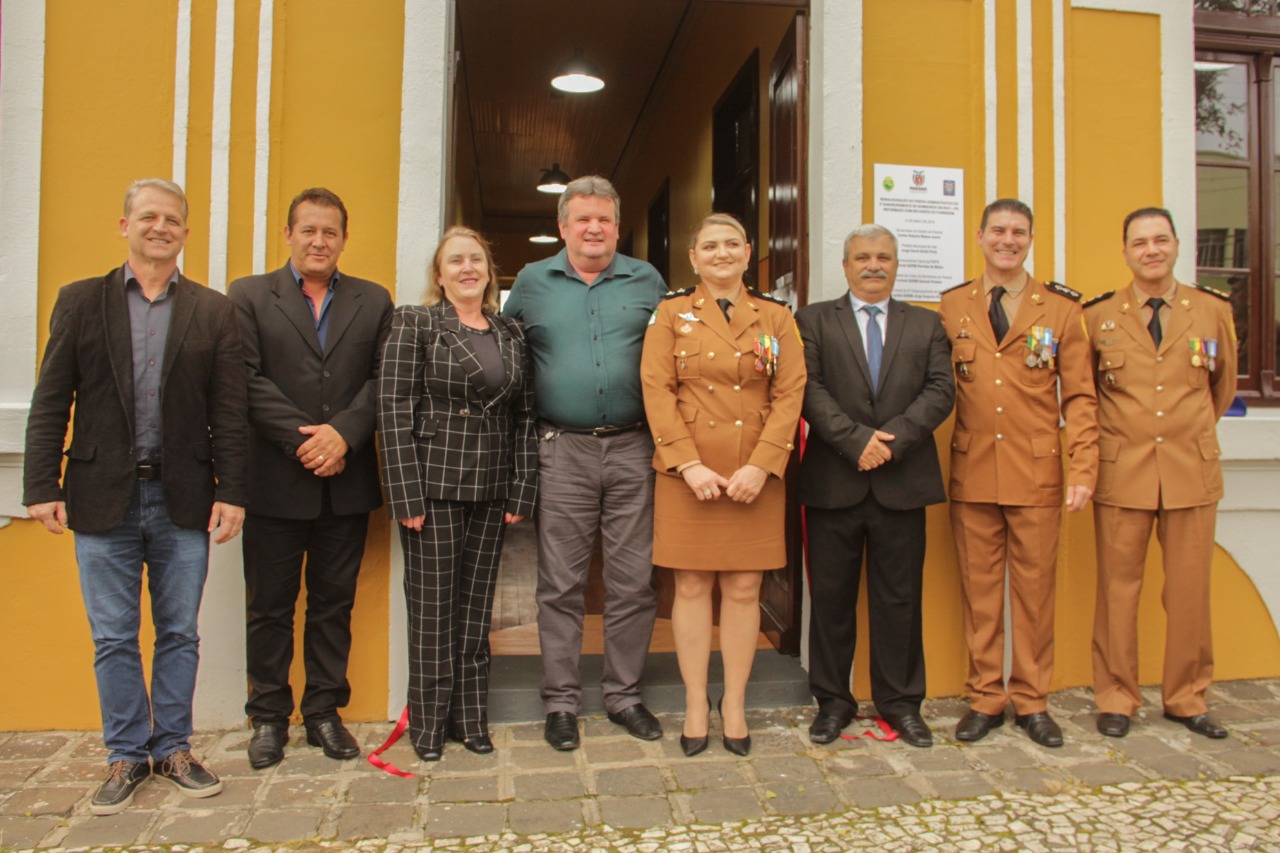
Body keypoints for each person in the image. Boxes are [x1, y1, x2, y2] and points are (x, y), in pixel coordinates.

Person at [23, 178, 248, 815]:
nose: (160, 227)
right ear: (124, 225)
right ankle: (126, 754)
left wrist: (232, 491)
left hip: (182, 498)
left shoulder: (212, 310)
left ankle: (173, 746)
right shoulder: (80, 302)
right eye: (148, 217)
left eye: (172, 219)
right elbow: (51, 399)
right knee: (114, 636)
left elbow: (227, 412)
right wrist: (41, 483)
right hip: (100, 498)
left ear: (184, 230)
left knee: (180, 631)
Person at [227, 188, 393, 769]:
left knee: (332, 605)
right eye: (309, 230)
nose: (319, 241)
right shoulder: (248, 295)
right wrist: (312, 441)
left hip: (344, 482)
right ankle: (268, 717)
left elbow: (380, 381)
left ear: (344, 239)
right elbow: (245, 380)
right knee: (269, 606)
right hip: (275, 481)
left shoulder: (374, 301)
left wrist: (343, 434)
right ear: (289, 235)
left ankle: (323, 712)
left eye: (330, 232)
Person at [504, 175, 669, 751]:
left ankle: (624, 696)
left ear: (617, 227)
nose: (594, 228)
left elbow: (674, 359)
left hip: (634, 448)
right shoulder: (531, 282)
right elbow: (504, 358)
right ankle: (562, 703)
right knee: (560, 583)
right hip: (562, 449)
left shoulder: (647, 279)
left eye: (604, 219)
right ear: (563, 227)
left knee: (633, 582)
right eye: (582, 219)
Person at [640, 213, 806, 756]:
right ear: (693, 257)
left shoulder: (777, 317)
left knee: (742, 588)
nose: (721, 253)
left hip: (754, 473)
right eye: (709, 245)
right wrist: (688, 464)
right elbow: (656, 389)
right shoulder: (669, 314)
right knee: (689, 586)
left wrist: (762, 465)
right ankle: (694, 701)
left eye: (732, 244)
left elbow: (790, 393)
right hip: (688, 474)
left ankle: (733, 702)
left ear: (748, 252)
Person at [937, 198, 1098, 748]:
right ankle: (985, 697)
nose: (1008, 240)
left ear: (1030, 239)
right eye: (999, 230)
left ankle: (1031, 700)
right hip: (973, 469)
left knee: (1033, 594)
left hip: (1037, 473)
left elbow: (1079, 397)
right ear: (980, 236)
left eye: (1019, 232)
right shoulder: (951, 305)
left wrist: (1084, 468)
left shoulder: (1060, 309)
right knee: (981, 594)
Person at [378, 226, 538, 760]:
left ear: (489, 272)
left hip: (492, 487)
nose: (468, 268)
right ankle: (427, 728)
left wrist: (521, 490)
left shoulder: (511, 332)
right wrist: (405, 496)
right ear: (440, 274)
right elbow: (393, 408)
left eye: (476, 259)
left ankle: (470, 720)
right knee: (431, 613)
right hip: (433, 488)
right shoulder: (415, 323)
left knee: (474, 613)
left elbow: (524, 418)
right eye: (456, 261)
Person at [796, 224, 954, 749]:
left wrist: (891, 442)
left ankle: (902, 705)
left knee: (900, 601)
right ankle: (832, 704)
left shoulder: (927, 325)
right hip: (833, 483)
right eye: (862, 257)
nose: (873, 265)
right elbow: (808, 390)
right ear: (845, 266)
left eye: (884, 257)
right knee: (832, 602)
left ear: (896, 264)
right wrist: (854, 440)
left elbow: (940, 390)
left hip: (902, 483)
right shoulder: (813, 320)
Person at [1084, 208, 1237, 740]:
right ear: (1125, 251)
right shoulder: (1098, 316)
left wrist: (1181, 436)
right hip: (1123, 471)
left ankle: (1187, 696)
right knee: (1118, 593)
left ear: (1176, 245)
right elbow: (1090, 397)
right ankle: (1116, 697)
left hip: (1190, 471)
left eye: (1160, 240)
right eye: (1140, 242)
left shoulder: (1212, 311)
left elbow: (1221, 389)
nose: (1151, 250)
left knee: (1191, 592)